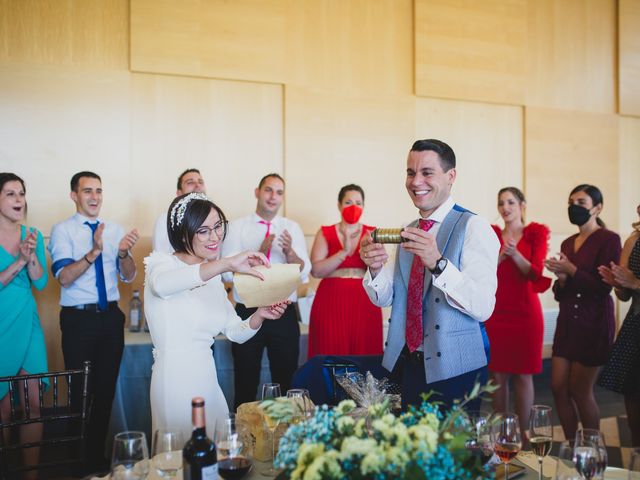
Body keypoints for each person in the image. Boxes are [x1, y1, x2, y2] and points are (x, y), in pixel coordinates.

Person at [360, 139, 498, 410]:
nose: (415, 181)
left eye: (426, 172)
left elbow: (483, 307)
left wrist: (438, 264)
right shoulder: (406, 229)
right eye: (410, 172)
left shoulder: (475, 227)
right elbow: (386, 298)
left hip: (457, 369)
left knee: (452, 450)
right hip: (409, 363)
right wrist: (375, 268)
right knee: (414, 447)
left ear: (451, 176)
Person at [145, 192, 288, 440]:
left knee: (216, 456)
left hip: (208, 380)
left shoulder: (211, 279)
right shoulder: (162, 265)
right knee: (182, 460)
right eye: (203, 231)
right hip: (174, 380)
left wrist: (259, 315)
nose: (215, 237)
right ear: (183, 232)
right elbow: (163, 286)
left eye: (218, 227)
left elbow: (235, 331)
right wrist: (226, 264)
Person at [48, 171, 139, 471]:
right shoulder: (62, 231)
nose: (95, 197)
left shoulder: (114, 229)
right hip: (78, 320)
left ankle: (97, 462)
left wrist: (123, 252)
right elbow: (64, 277)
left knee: (104, 392)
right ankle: (77, 463)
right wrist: (95, 252)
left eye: (99, 191)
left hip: (110, 319)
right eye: (87, 191)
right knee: (80, 393)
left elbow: (128, 275)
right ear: (74, 195)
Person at [221, 173, 311, 408]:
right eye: (268, 190)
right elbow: (226, 273)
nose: (273, 197)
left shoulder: (291, 227)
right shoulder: (236, 227)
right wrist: (257, 253)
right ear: (257, 192)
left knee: (286, 379)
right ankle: (244, 440)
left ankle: (285, 439)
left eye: (279, 192)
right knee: (245, 379)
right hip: (248, 312)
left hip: (283, 311)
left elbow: (304, 272)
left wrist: (290, 252)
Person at [545, 184, 621, 439]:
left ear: (596, 208)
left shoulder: (609, 239)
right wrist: (562, 277)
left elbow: (602, 288)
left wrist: (572, 271)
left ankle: (591, 451)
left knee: (580, 390)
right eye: (571, 202)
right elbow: (561, 291)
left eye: (581, 202)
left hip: (593, 322)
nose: (574, 207)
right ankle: (570, 447)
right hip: (567, 322)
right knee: (557, 387)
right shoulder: (568, 242)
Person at [484, 187, 551, 436]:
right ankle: (503, 435)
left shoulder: (535, 233)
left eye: (511, 202)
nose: (505, 208)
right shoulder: (492, 234)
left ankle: (525, 436)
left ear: (522, 204)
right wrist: (502, 256)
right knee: (497, 376)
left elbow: (534, 273)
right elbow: (483, 270)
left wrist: (515, 254)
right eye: (501, 203)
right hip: (497, 312)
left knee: (524, 376)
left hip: (525, 313)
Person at [0, 173, 48, 476]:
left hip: (27, 322)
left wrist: (30, 257)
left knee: (33, 402)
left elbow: (41, 282)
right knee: (2, 406)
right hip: (1, 322)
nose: (19, 199)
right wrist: (18, 259)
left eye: (21, 193)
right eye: (10, 194)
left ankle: (31, 475)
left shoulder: (34, 233)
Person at [307, 184, 382, 357]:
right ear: (339, 205)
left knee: (364, 353)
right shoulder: (324, 232)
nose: (354, 207)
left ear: (363, 206)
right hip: (330, 300)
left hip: (364, 299)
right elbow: (317, 271)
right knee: (330, 350)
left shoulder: (372, 233)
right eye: (348, 202)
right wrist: (344, 252)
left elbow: (379, 270)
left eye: (358, 202)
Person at [598, 203, 640, 446]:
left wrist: (636, 283)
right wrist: (619, 284)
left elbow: (635, 284)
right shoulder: (634, 241)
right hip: (635, 327)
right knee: (634, 407)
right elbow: (624, 296)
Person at [152, 168, 206, 253]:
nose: (197, 185)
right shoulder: (165, 220)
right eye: (190, 182)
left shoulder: (213, 217)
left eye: (200, 182)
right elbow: (161, 259)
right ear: (179, 193)